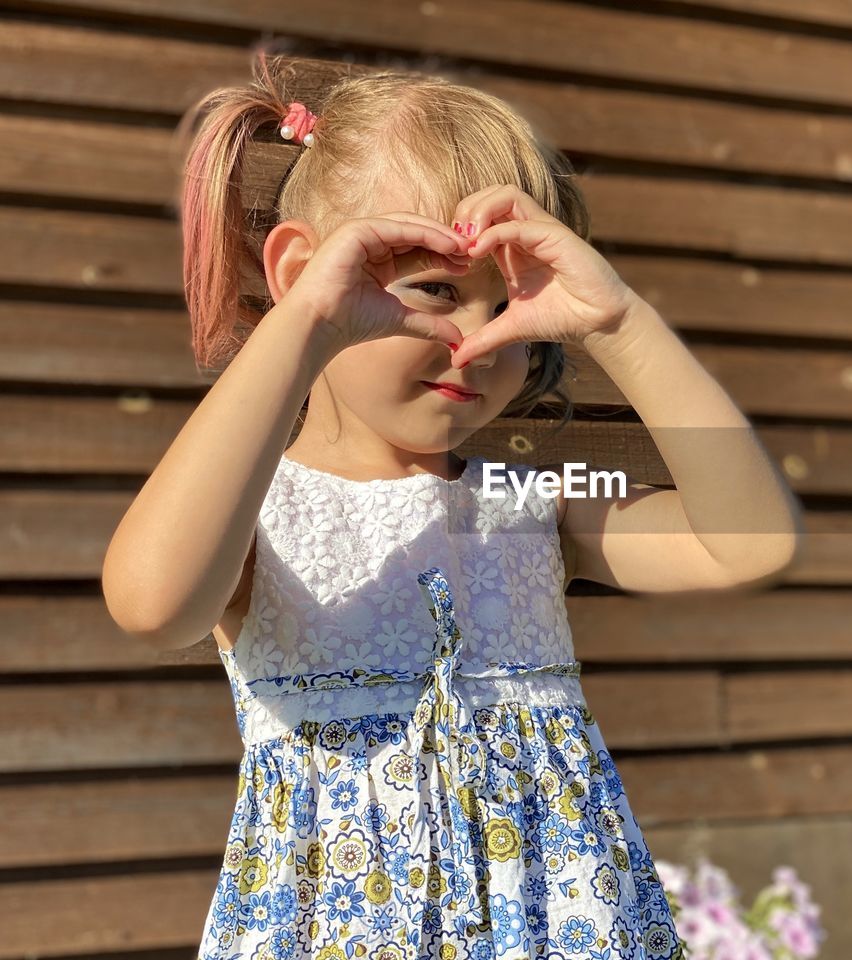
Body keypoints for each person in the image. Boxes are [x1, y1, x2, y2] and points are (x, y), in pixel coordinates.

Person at [101, 47, 803, 959]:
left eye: (507, 303)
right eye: (433, 289)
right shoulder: (257, 511)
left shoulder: (532, 510)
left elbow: (750, 545)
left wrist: (620, 323)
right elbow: (153, 604)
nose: (476, 341)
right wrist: (305, 323)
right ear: (301, 273)